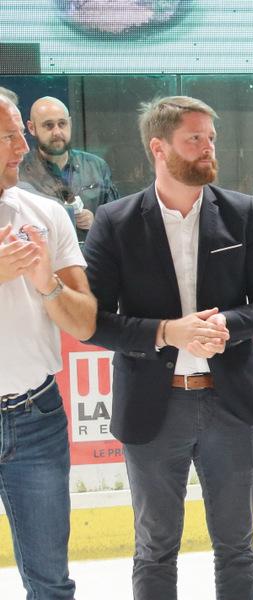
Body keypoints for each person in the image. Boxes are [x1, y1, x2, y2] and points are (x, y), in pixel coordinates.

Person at [81, 96, 253, 600]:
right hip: (154, 406)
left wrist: (227, 323)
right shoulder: (115, 221)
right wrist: (165, 332)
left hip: (230, 404)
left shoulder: (242, 212)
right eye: (194, 138)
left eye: (210, 138)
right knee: (154, 549)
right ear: (159, 147)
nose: (207, 147)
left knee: (237, 547)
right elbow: (93, 323)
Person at [0, 89, 97, 600]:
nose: (23, 146)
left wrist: (48, 285)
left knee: (50, 584)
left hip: (34, 418)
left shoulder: (44, 214)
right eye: (8, 136)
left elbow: (86, 321)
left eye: (21, 133)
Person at [19, 96, 119, 240]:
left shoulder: (97, 166)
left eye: (62, 124)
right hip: (43, 251)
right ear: (31, 128)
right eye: (48, 125)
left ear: (70, 123)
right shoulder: (18, 173)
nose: (57, 132)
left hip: (90, 252)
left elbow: (117, 222)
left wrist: (96, 222)